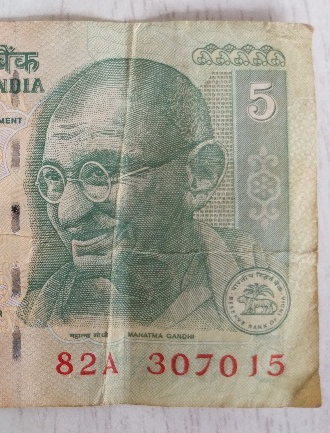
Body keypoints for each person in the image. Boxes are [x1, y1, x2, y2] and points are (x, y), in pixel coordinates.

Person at [18, 58, 281, 329]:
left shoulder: (263, 278)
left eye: (103, 173)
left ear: (200, 175)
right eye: (54, 178)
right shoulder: (36, 315)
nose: (68, 214)